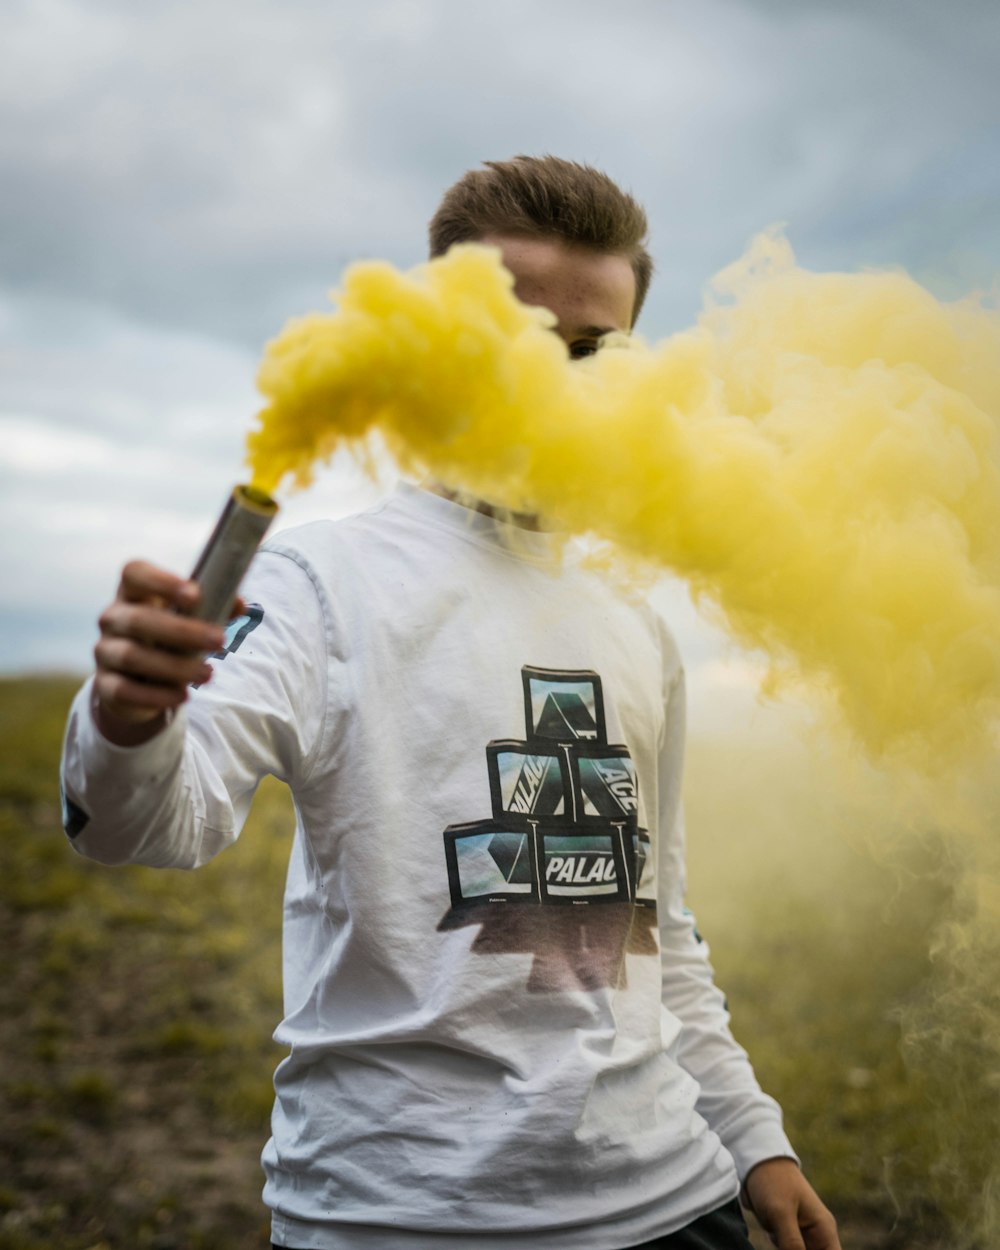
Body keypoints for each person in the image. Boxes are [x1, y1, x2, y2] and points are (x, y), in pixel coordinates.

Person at [60, 156, 841, 1250]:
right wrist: (129, 719)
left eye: (591, 355)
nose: (553, 383)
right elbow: (142, 825)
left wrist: (752, 1134)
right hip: (402, 1214)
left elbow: (656, 918)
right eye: (517, 344)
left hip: (676, 1200)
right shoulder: (319, 585)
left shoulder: (634, 619)